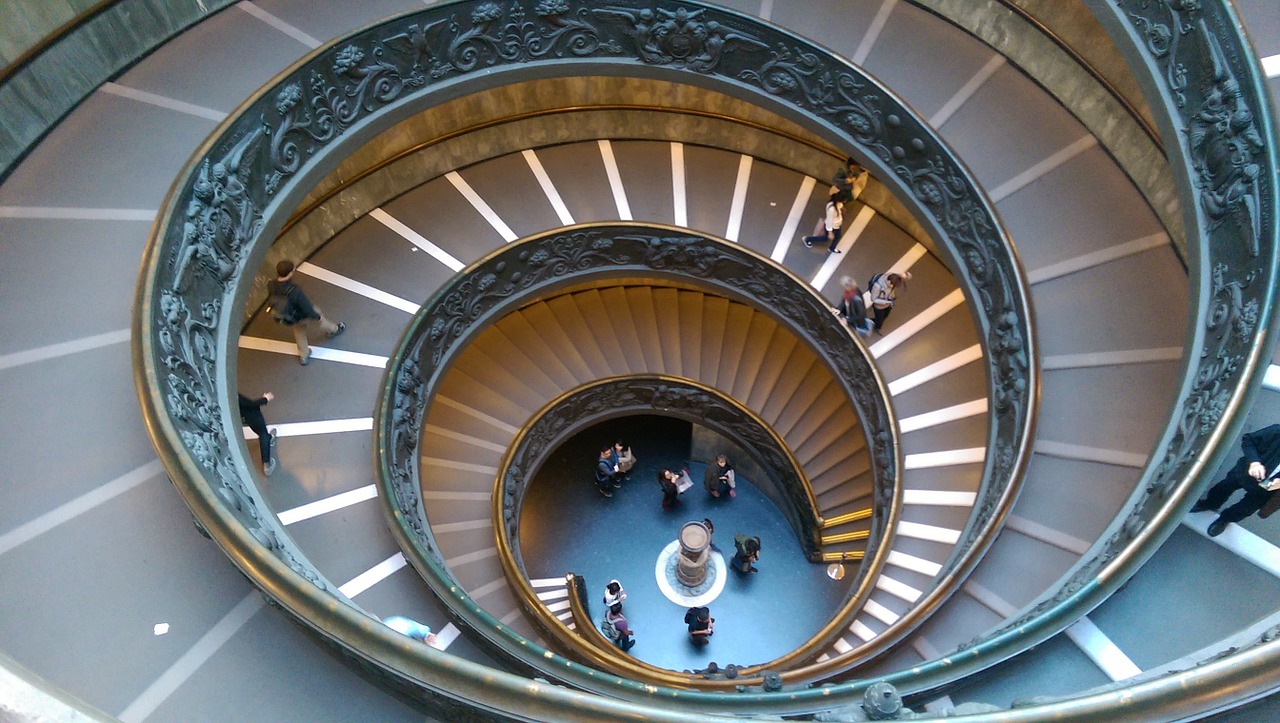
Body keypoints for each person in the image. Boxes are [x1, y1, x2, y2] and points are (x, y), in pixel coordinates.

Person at [1192, 424, 1280, 537]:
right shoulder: (1277, 431)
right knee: (1224, 487)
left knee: (1245, 509)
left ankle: (1225, 519)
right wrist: (1254, 462)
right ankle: (1209, 504)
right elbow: (1249, 440)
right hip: (1245, 472)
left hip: (1267, 490)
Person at [268, 260, 345, 365]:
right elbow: (307, 308)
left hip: (290, 316)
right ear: (290, 273)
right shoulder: (294, 290)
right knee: (321, 319)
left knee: (299, 333)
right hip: (302, 315)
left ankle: (304, 355)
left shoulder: (271, 284)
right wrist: (316, 316)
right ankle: (334, 329)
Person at [238, 392, 278, 476]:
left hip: (245, 418)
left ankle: (269, 438)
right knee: (263, 433)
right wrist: (265, 399)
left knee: (260, 432)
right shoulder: (233, 396)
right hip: (253, 415)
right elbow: (251, 404)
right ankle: (267, 464)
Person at [803, 189, 850, 254]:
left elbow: (839, 207)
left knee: (838, 236)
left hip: (837, 225)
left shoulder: (836, 203)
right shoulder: (832, 209)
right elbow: (829, 221)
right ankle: (808, 239)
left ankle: (832, 248)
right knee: (825, 238)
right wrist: (830, 232)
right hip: (833, 226)